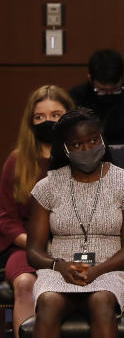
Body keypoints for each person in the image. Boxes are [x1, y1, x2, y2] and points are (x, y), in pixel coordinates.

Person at [26, 108, 124, 337]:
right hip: (60, 272)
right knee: (49, 302)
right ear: (65, 149)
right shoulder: (47, 186)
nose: (87, 149)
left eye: (92, 140)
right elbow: (33, 251)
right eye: (77, 145)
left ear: (101, 138)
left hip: (110, 270)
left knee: (101, 300)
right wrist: (59, 266)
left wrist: (97, 271)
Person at [0, 86, 73, 336]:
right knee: (25, 283)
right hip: (26, 248)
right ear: (30, 122)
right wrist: (39, 247)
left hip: (76, 246)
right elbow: (8, 221)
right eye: (39, 117)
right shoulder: (16, 161)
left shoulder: (84, 159)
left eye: (55, 115)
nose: (47, 122)